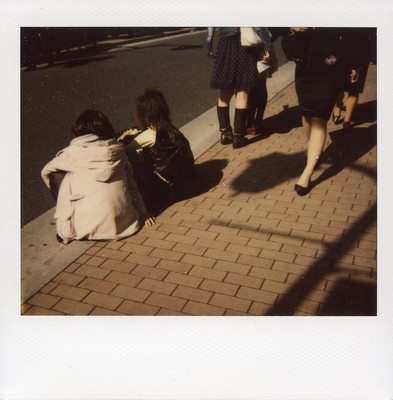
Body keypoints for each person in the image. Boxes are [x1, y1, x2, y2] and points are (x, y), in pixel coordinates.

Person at [41, 110, 155, 244]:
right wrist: (143, 213)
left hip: (86, 228)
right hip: (125, 225)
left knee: (56, 174)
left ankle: (67, 225)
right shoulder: (118, 151)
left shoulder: (71, 154)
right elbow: (132, 186)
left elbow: (45, 172)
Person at [281, 27, 361, 196]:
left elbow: (351, 34)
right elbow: (277, 32)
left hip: (330, 72)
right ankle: (315, 152)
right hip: (304, 72)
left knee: (319, 120)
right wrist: (290, 27)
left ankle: (307, 173)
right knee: (306, 116)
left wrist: (355, 66)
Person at [117, 88, 195, 204]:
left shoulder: (150, 135)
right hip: (185, 183)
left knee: (132, 157)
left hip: (168, 191)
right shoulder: (170, 128)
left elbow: (124, 149)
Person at [210, 27, 259, 149]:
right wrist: (267, 45)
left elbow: (210, 29)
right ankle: (238, 137)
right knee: (242, 92)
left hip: (224, 45)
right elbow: (258, 26)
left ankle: (225, 133)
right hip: (244, 44)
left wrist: (209, 45)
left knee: (224, 92)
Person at [332, 28, 371, 131]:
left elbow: (364, 44)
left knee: (353, 90)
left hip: (358, 57)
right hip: (341, 58)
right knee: (339, 87)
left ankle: (347, 120)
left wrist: (357, 68)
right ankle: (339, 105)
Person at [246, 27, 278, 134]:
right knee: (259, 87)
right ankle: (257, 122)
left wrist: (267, 48)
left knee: (254, 88)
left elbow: (259, 28)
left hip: (257, 49)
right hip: (257, 48)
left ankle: (251, 123)